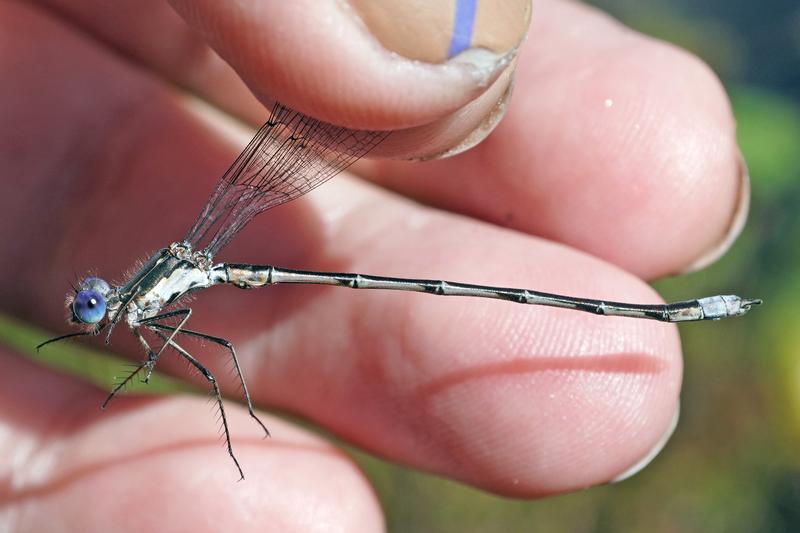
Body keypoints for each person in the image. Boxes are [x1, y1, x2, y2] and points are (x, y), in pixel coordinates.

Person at [0, 0, 747, 529]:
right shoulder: (147, 302)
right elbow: (182, 335)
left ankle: (665, 314)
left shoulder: (149, 299)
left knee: (214, 355)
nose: (93, 305)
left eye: (93, 305)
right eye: (92, 306)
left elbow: (199, 345)